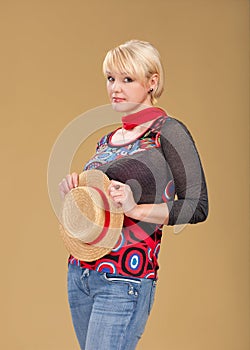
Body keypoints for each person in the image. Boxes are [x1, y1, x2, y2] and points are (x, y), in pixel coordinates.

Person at [59, 39, 209, 350]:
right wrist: (76, 193)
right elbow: (100, 209)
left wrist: (135, 208)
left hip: (125, 277)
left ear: (152, 82)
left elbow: (197, 206)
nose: (116, 87)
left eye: (127, 79)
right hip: (81, 274)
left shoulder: (166, 132)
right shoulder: (106, 140)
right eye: (111, 78)